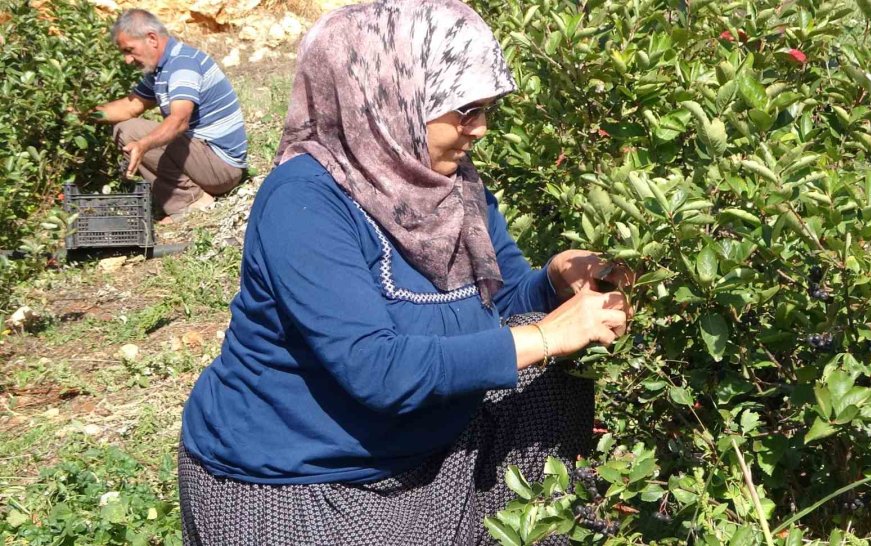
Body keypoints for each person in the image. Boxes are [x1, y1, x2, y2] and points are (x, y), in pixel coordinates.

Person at [177, 0, 632, 544]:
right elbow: (375, 369)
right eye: (465, 110)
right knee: (542, 345)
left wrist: (555, 280)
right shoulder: (305, 202)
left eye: (487, 109)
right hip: (308, 481)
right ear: (388, 97)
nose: (481, 129)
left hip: (418, 445)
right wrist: (548, 334)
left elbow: (499, 302)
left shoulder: (453, 186)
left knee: (547, 367)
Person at [92, 9, 248, 223]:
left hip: (222, 167)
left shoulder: (182, 64)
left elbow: (179, 121)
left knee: (129, 131)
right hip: (209, 160)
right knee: (129, 127)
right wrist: (80, 115)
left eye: (130, 50)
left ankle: (192, 202)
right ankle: (188, 195)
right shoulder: (161, 69)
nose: (127, 60)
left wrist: (143, 144)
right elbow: (130, 107)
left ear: (152, 39)